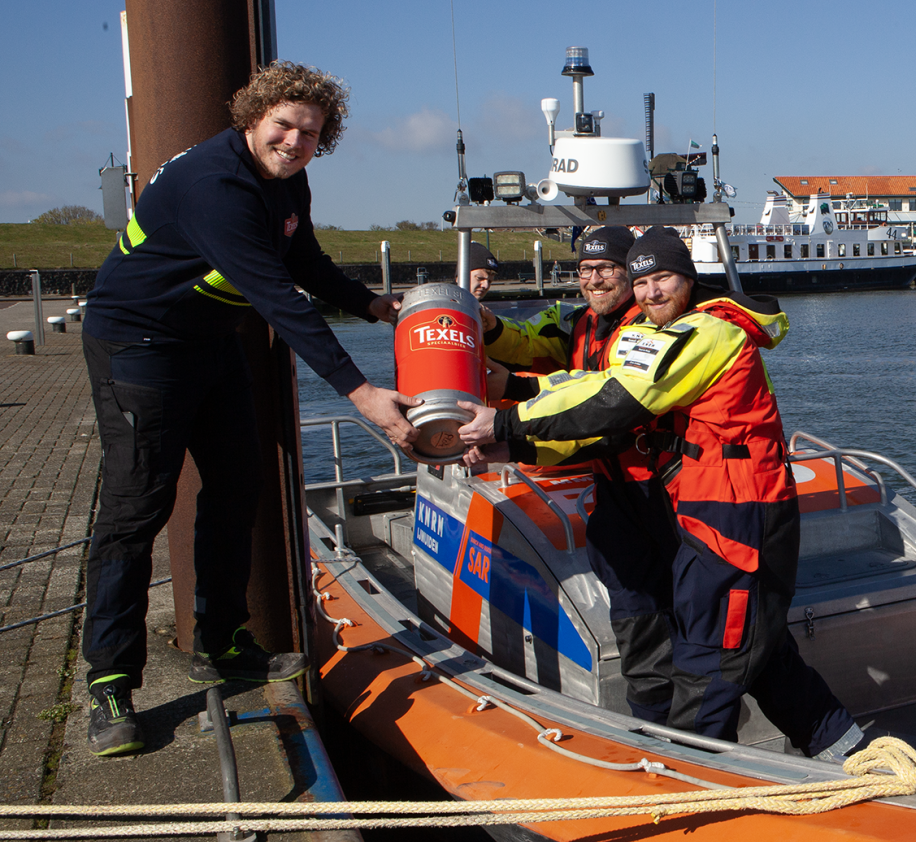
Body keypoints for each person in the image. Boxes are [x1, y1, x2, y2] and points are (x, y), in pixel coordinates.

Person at [80, 61, 420, 757]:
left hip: (208, 342)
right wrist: (362, 393)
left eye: (310, 132)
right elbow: (275, 296)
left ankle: (222, 638)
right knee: (134, 509)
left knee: (238, 485)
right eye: (284, 126)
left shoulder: (287, 179)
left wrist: (375, 306)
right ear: (252, 118)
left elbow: (305, 264)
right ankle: (111, 681)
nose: (295, 141)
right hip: (140, 345)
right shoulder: (215, 185)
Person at [458, 229, 861, 762]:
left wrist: (507, 423)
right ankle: (841, 747)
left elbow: (621, 400)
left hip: (737, 508)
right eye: (642, 281)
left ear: (687, 279)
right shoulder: (644, 330)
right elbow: (590, 386)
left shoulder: (706, 331)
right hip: (695, 505)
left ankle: (692, 775)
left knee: (713, 653)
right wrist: (516, 406)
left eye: (659, 278)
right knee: (734, 642)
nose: (648, 293)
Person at [471, 225, 678, 723]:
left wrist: (511, 436)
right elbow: (534, 348)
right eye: (585, 270)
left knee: (673, 606)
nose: (594, 280)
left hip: (664, 490)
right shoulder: (579, 323)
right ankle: (652, 719)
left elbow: (605, 409)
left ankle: (687, 722)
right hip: (616, 491)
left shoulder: (648, 329)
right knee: (633, 607)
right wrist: (488, 327)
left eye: (606, 268)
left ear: (633, 272)